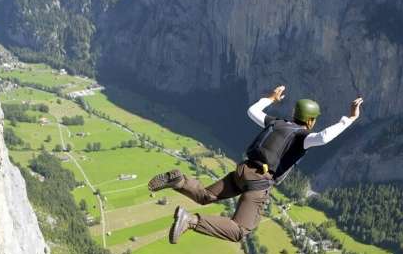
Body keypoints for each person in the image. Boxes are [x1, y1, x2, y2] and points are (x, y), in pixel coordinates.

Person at [148, 85, 363, 244]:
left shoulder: (277, 122)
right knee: (239, 230)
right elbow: (324, 137)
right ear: (310, 120)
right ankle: (191, 221)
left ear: (295, 114)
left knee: (205, 195)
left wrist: (271, 98)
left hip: (243, 170)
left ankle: (179, 181)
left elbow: (252, 111)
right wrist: (350, 119)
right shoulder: (302, 137)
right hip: (259, 182)